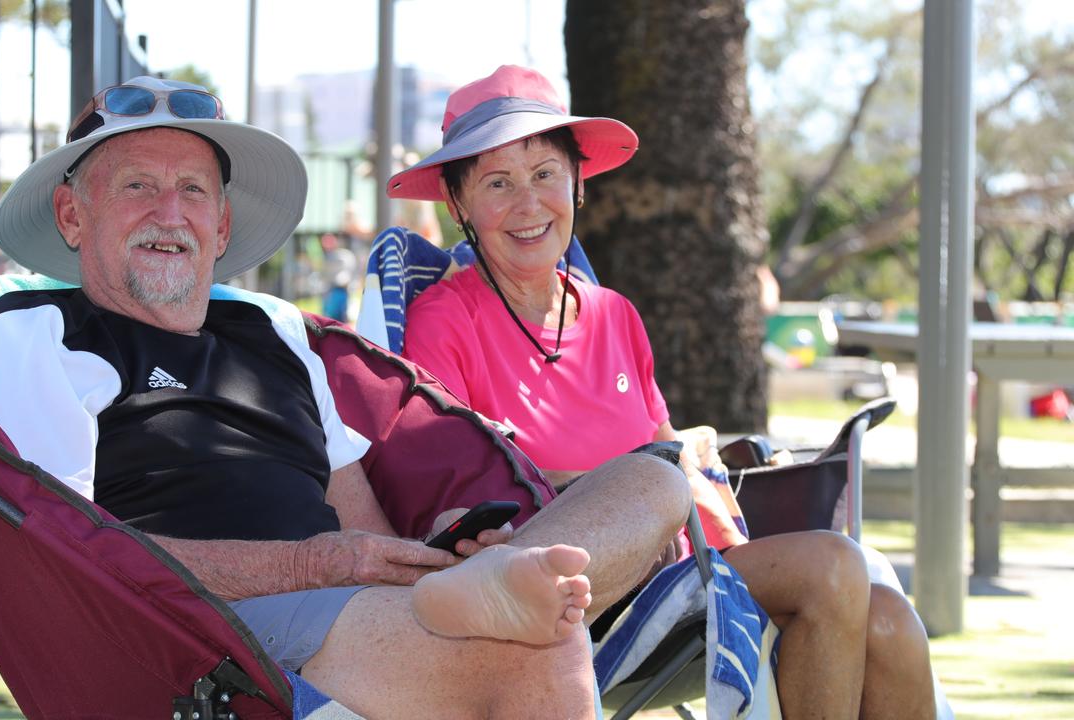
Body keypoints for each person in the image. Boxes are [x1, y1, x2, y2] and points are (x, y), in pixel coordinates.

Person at [0, 75, 691, 719]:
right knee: (534, 647)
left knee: (655, 480)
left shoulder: (274, 330)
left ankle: (499, 577)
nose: (169, 213)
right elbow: (63, 560)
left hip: (358, 609)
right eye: (137, 186)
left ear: (222, 225)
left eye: (193, 191)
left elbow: (359, 524)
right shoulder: (36, 337)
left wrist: (431, 555)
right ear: (70, 216)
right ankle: (495, 596)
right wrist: (316, 566)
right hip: (208, 635)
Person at [395, 65, 937, 719]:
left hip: (677, 573)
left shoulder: (615, 315)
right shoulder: (443, 322)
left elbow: (668, 453)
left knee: (887, 618)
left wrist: (716, 517)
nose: (528, 203)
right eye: (497, 183)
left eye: (545, 175)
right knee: (830, 567)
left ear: (577, 183)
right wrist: (627, 489)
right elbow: (456, 495)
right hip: (552, 595)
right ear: (458, 205)